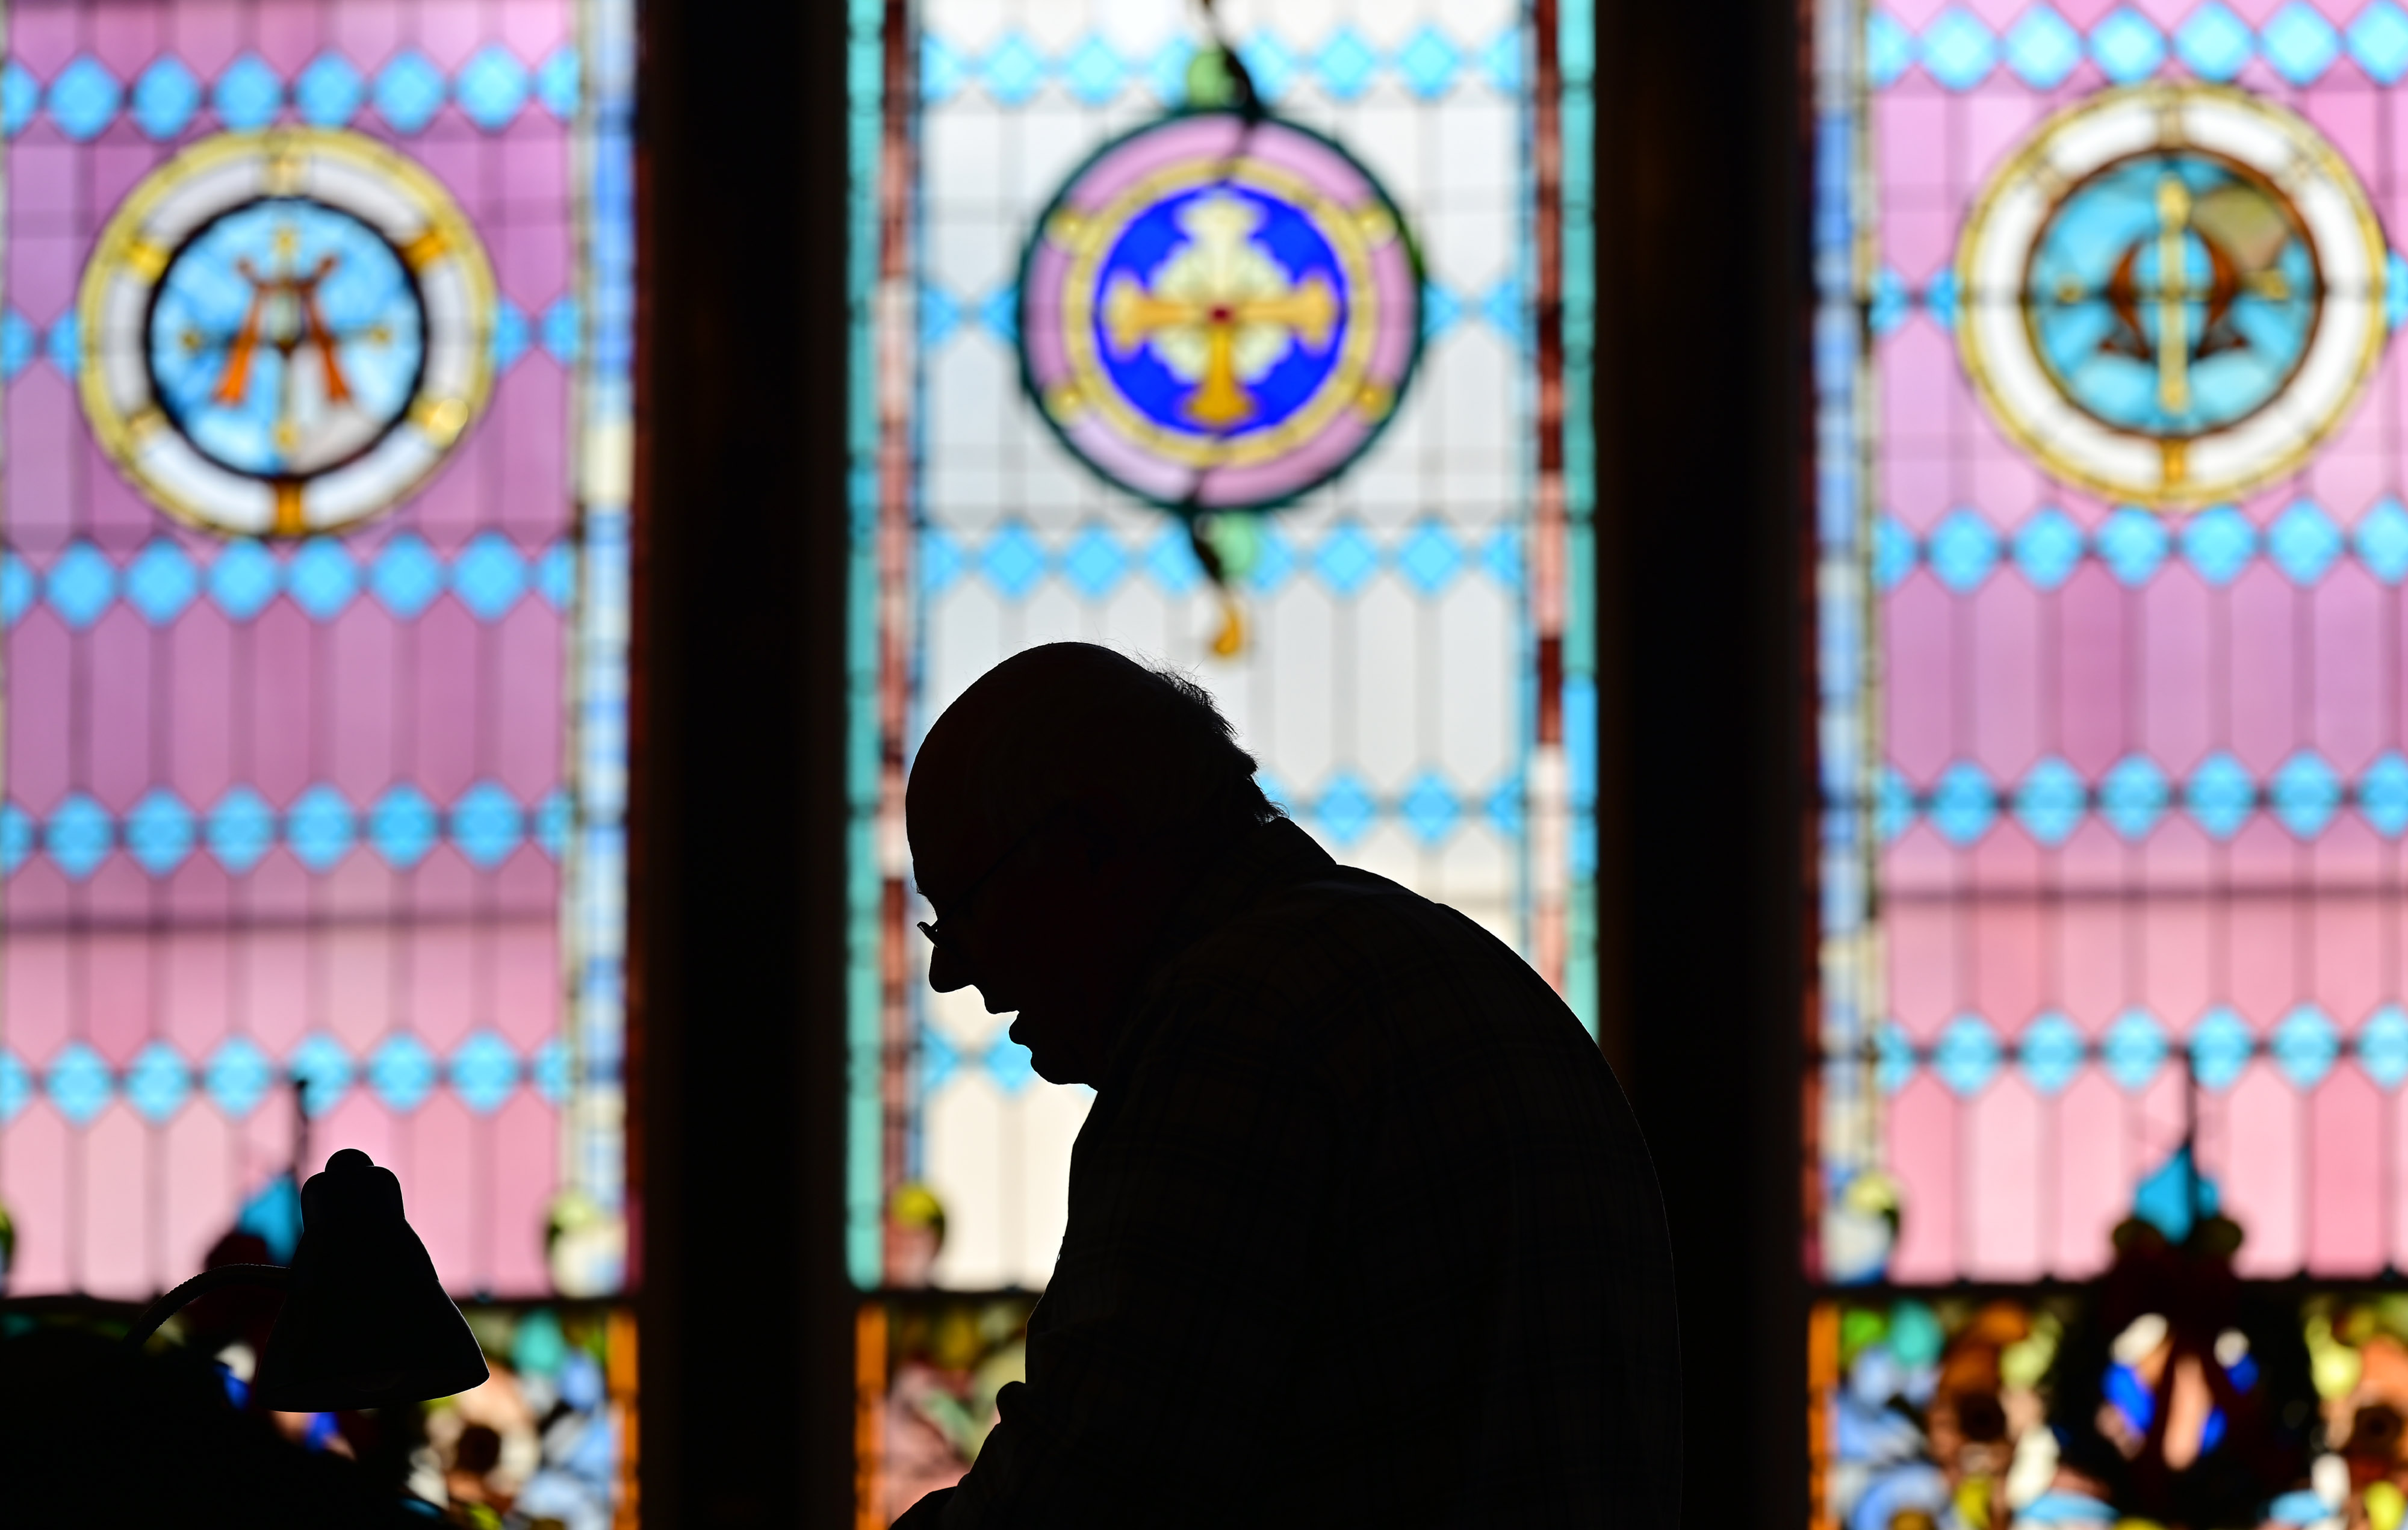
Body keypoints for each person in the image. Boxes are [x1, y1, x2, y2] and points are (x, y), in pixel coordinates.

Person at [896, 643, 1681, 1528]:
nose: (948, 974)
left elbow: (1092, 1493)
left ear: (1089, 843)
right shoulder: (1481, 984)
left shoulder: (1234, 1025)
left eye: (963, 909)